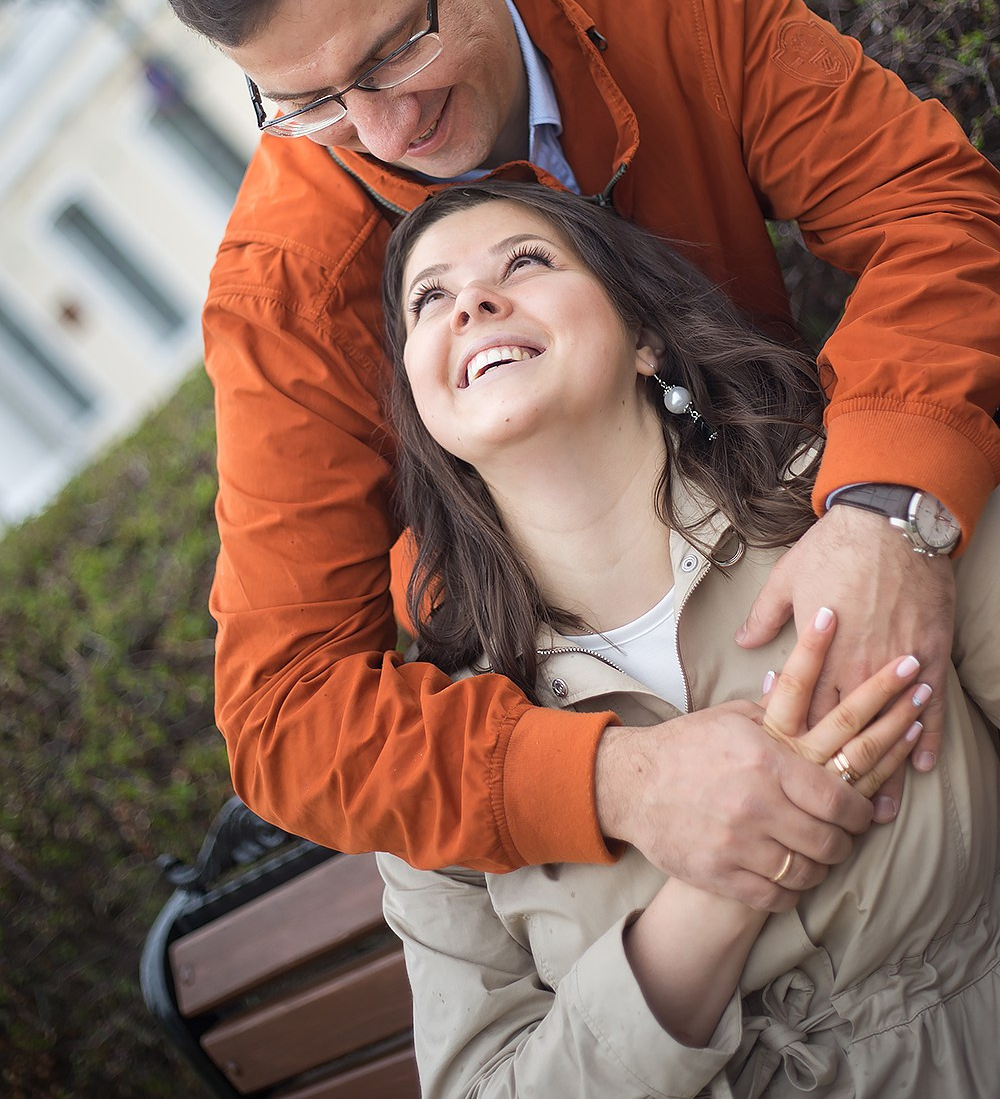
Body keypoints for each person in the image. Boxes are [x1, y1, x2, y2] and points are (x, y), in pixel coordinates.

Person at [144, 0, 1000, 891]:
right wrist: (618, 779)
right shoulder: (284, 290)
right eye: (307, 105)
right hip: (587, 711)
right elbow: (286, 715)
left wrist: (891, 510)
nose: (384, 128)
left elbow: (933, 213)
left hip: (817, 548)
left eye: (395, 48)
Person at [376, 179, 1000, 1098]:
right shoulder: (442, 744)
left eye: (527, 262)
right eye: (430, 299)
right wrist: (720, 892)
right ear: (423, 410)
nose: (471, 303)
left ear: (644, 338)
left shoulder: (863, 518)